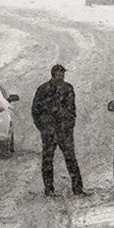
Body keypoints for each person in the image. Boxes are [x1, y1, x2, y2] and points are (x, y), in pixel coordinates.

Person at [31, 64, 86, 197]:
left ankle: (77, 188)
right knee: (48, 160)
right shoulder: (43, 89)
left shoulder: (68, 89)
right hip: (49, 131)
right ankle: (49, 188)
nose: (61, 77)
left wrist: (69, 124)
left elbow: (72, 109)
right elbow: (35, 110)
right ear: (53, 75)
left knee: (71, 158)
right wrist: (43, 127)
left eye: (63, 74)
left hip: (64, 131)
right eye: (59, 74)